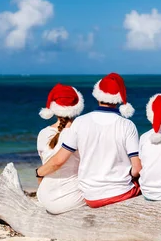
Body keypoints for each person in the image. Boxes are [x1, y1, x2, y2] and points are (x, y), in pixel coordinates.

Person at [36, 73, 142, 208]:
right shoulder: (127, 125)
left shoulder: (80, 122)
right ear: (120, 98)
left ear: (97, 94)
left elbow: (59, 160)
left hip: (91, 196)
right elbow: (137, 169)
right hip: (117, 193)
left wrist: (38, 173)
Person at [36, 83, 86, 214]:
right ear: (77, 107)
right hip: (70, 198)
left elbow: (45, 164)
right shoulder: (81, 132)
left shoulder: (43, 133)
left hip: (44, 196)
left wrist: (38, 173)